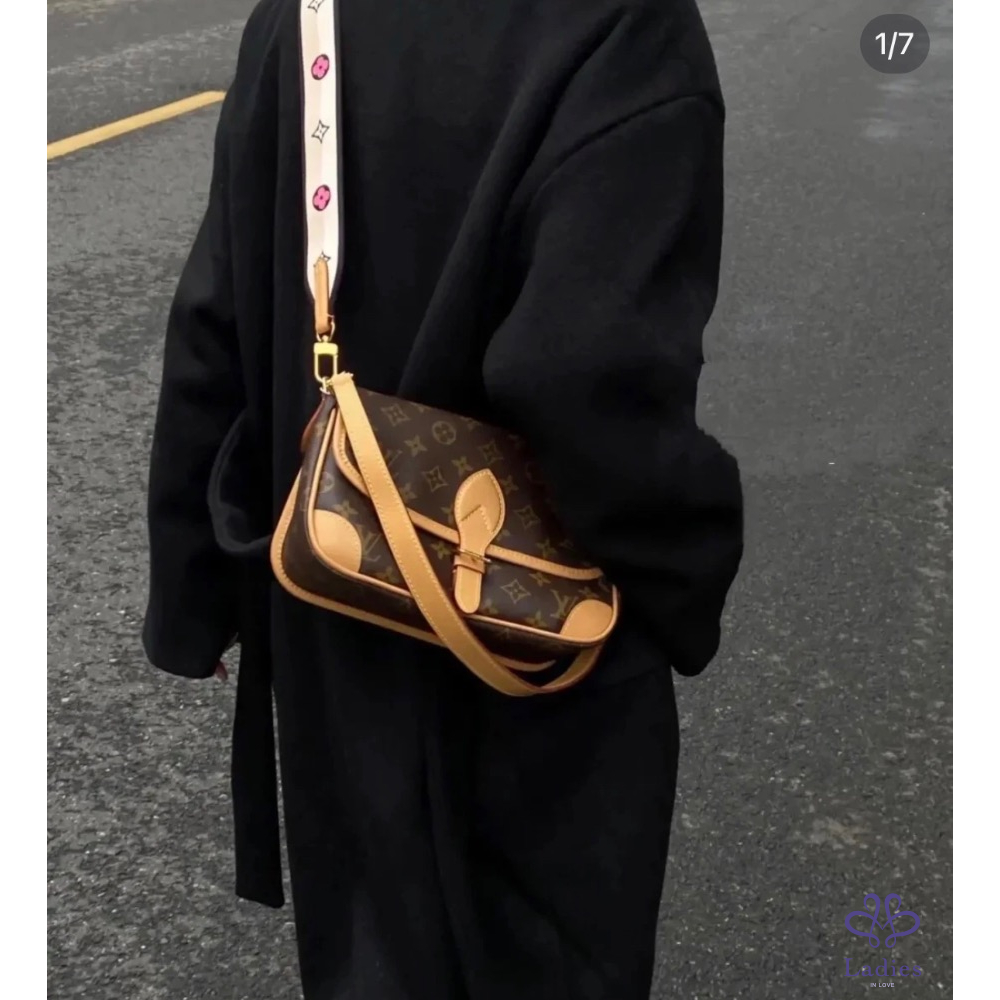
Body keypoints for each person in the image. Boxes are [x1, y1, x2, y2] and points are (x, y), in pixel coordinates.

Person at [142, 0, 744, 996]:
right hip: (534, 625)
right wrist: (683, 576)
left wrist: (194, 589)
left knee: (371, 941)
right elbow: (583, 367)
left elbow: (217, 310)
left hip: (335, 591)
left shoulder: (305, 11)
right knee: (545, 950)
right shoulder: (625, 29)